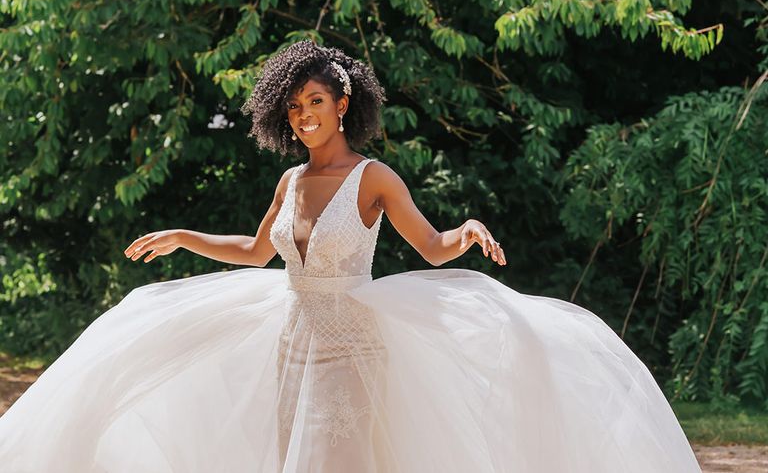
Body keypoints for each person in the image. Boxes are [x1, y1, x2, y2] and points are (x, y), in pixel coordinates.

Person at [0, 39, 702, 472]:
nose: (302, 118)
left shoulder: (373, 179)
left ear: (342, 103)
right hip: (291, 342)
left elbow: (429, 248)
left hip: (353, 348)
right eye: (292, 110)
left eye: (314, 103)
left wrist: (466, 231)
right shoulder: (291, 180)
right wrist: (184, 236)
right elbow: (254, 251)